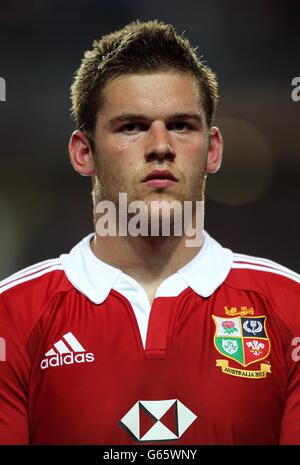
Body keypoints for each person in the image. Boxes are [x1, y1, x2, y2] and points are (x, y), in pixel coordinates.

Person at [0, 20, 299, 446]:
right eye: (132, 127)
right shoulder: (11, 318)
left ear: (212, 149)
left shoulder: (292, 311)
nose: (161, 145)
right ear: (84, 153)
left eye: (181, 125)